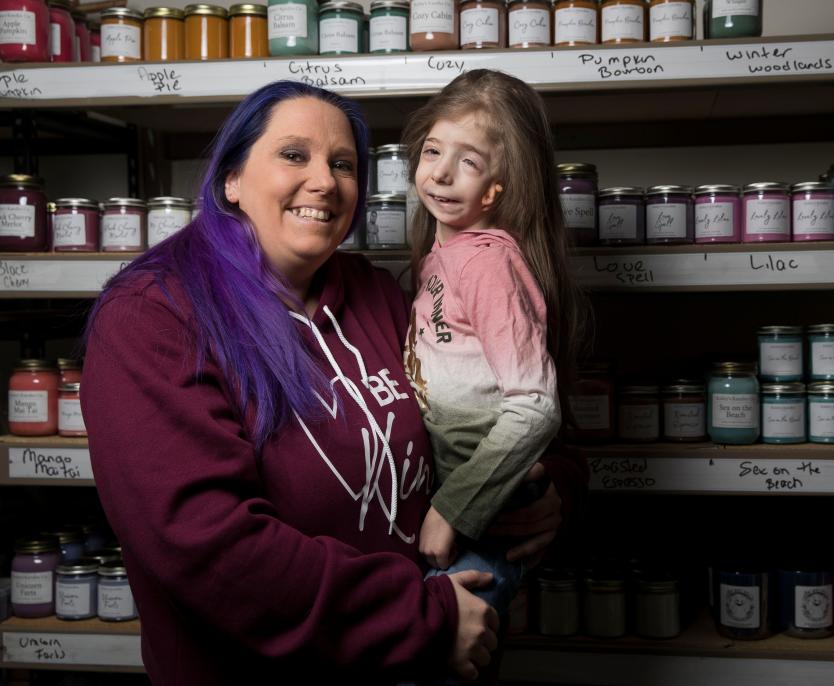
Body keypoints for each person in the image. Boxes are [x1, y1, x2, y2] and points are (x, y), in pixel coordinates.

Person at [80, 80, 586, 685]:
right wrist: (421, 621)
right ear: (231, 180)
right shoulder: (154, 316)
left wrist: (548, 491)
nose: (324, 181)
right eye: (294, 155)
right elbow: (208, 547)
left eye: (343, 164)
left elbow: (509, 418)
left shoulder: (381, 294)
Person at [401, 70, 587, 633]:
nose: (439, 172)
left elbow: (534, 405)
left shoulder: (486, 263)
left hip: (487, 501)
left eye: (469, 161)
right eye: (433, 150)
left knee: (437, 651)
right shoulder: (442, 253)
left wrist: (449, 510)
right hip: (462, 491)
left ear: (496, 189)